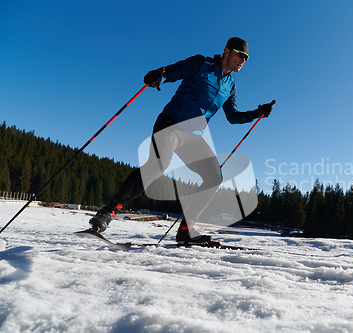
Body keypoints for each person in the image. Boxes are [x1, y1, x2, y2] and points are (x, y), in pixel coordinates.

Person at [89, 37, 274, 244]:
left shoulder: (230, 86)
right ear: (227, 51)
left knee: (214, 177)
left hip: (193, 137)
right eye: (241, 55)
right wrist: (160, 75)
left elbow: (232, 117)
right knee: (158, 165)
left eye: (246, 58)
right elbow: (174, 71)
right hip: (170, 123)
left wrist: (257, 113)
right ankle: (107, 213)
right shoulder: (202, 64)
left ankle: (187, 230)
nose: (243, 60)